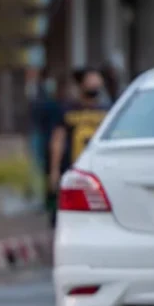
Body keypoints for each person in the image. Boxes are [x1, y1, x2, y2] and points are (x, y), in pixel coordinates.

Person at [49, 68, 110, 227]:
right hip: (72, 169)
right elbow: (58, 139)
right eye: (91, 80)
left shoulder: (107, 111)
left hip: (100, 171)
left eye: (97, 80)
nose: (95, 84)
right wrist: (54, 169)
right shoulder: (67, 110)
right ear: (81, 84)